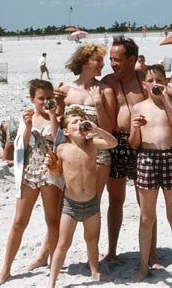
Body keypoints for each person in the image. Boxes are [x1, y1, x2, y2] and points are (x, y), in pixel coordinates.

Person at [101, 35, 172, 265]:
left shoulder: (148, 80)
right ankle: (112, 250)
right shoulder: (108, 81)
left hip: (143, 144)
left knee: (145, 203)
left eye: (117, 59)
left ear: (132, 59)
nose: (113, 63)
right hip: (117, 143)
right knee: (115, 200)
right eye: (111, 59)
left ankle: (152, 254)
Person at [27, 43, 116, 270]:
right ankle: (45, 254)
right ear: (85, 62)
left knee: (92, 206)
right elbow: (56, 122)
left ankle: (92, 261)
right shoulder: (65, 90)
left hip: (98, 153)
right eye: (98, 60)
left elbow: (110, 127)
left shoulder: (104, 90)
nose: (102, 65)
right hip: (70, 155)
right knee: (62, 207)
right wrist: (56, 104)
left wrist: (98, 104)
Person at [129, 65, 172, 282]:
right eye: (150, 80)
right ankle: (143, 265)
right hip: (146, 157)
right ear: (144, 84)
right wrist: (135, 127)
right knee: (147, 217)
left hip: (170, 157)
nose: (155, 83)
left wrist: (166, 100)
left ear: (165, 83)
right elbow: (133, 143)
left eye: (159, 80)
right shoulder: (138, 106)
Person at [0, 79, 64, 285]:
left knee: (52, 221)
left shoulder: (58, 117)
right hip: (29, 172)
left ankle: (54, 265)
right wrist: (26, 128)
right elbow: (22, 148)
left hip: (50, 172)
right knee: (18, 222)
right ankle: (5, 269)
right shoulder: (26, 118)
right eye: (41, 98)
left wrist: (53, 116)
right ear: (32, 99)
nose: (45, 102)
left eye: (49, 98)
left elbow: (57, 141)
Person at [47, 107, 117, 288]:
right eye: (74, 122)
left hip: (91, 204)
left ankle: (95, 271)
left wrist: (97, 129)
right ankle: (52, 282)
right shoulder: (61, 148)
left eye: (81, 120)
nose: (79, 124)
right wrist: (52, 167)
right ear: (65, 131)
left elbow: (113, 143)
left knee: (92, 241)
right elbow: (57, 174)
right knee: (63, 244)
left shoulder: (92, 143)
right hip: (70, 206)